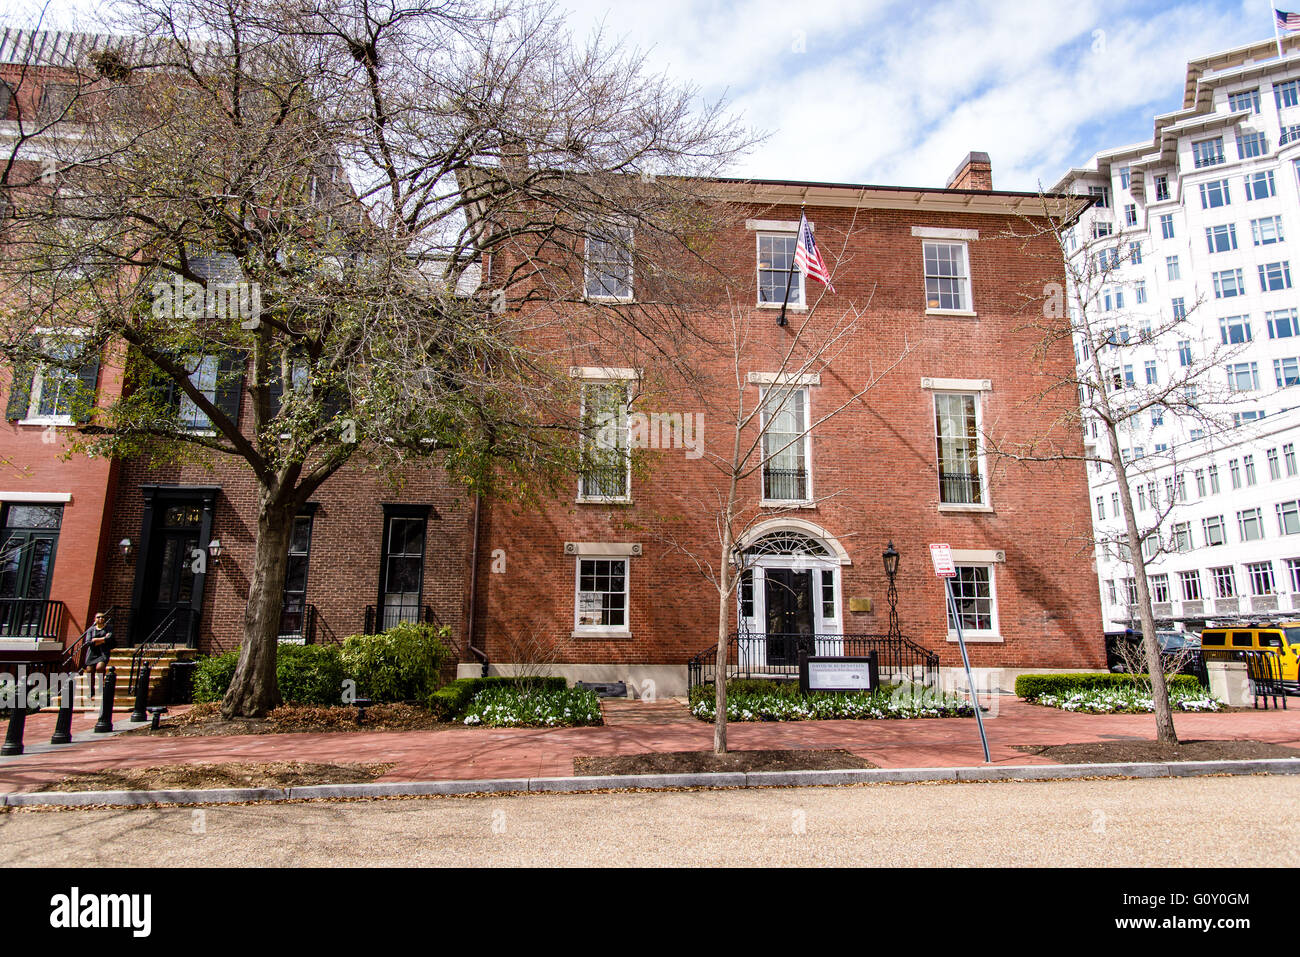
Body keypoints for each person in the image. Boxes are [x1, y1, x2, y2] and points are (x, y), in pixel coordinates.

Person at [78, 612, 114, 699]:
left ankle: (100, 689)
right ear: (95, 619)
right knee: (90, 671)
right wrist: (102, 640)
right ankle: (91, 691)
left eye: (102, 617)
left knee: (100, 668)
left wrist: (96, 640)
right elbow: (88, 642)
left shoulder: (108, 628)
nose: (101, 619)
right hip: (92, 653)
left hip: (103, 652)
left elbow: (109, 638)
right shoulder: (91, 629)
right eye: (98, 617)